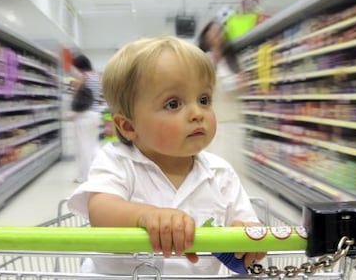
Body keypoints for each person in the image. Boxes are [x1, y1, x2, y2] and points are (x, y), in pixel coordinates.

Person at [67, 36, 264, 275]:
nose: (197, 113)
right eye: (173, 104)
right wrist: (147, 216)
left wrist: (248, 240)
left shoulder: (220, 173)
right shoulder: (117, 161)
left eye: (204, 100)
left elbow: (248, 226)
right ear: (128, 127)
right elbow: (101, 212)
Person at [198, 20, 244, 175]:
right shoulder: (203, 59)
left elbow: (242, 87)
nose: (217, 35)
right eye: (213, 32)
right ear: (206, 37)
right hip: (212, 118)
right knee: (214, 161)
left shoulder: (232, 61)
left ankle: (230, 195)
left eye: (219, 32)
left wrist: (241, 83)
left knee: (232, 162)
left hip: (232, 118)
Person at [71, 54, 101, 183]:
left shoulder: (84, 77)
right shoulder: (97, 76)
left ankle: (84, 176)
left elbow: (76, 93)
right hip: (96, 114)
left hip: (84, 115)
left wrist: (75, 86)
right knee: (93, 145)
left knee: (83, 147)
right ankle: (96, 173)